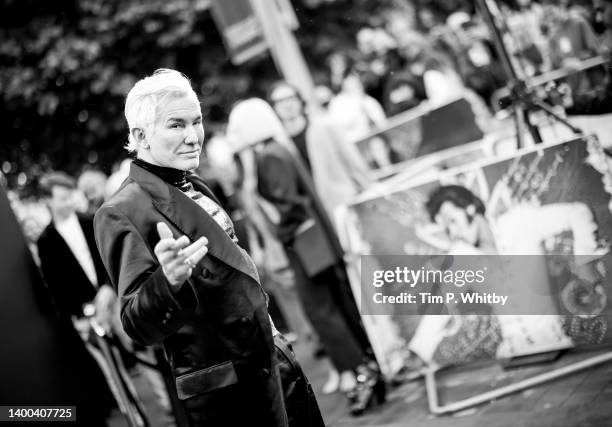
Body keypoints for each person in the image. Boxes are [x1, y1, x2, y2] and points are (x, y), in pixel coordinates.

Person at [94, 69, 322, 427]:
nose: (192, 136)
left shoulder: (197, 182)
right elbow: (137, 324)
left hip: (275, 367)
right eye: (176, 125)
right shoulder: (120, 211)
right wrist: (167, 283)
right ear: (141, 135)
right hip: (233, 400)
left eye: (196, 122)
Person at [228, 98, 385, 416]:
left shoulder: (270, 156)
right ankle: (368, 372)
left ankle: (362, 374)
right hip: (315, 243)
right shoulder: (277, 150)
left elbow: (290, 207)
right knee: (337, 308)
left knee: (324, 314)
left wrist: (283, 237)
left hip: (306, 247)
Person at [408, 184, 607, 365]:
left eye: (452, 220)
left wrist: (585, 262)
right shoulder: (461, 256)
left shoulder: (518, 223)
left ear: (470, 207)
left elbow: (578, 212)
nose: (453, 232)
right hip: (512, 357)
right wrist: (417, 353)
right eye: (446, 228)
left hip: (558, 348)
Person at [36, 171, 117, 426]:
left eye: (70, 195)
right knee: (112, 375)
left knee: (146, 363)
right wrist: (83, 311)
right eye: (62, 198)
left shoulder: (90, 220)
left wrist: (107, 287)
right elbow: (57, 287)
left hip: (114, 301)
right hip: (86, 315)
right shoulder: (45, 242)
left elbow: (110, 257)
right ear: (48, 200)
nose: (69, 201)